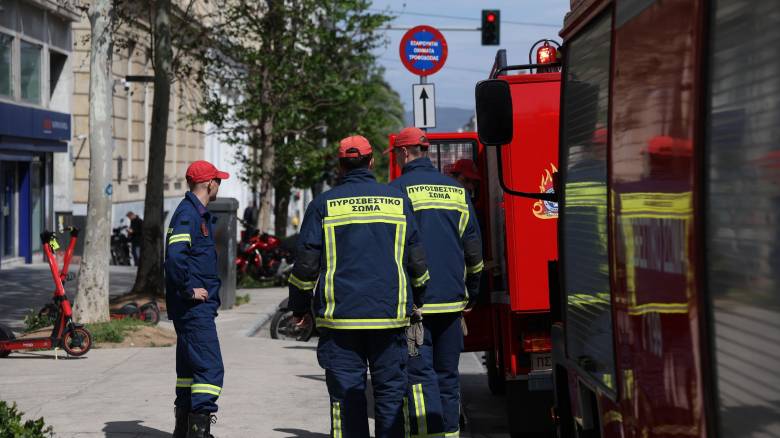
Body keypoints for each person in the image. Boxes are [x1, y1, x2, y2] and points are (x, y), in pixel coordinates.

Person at [287, 135, 430, 438]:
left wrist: (299, 308)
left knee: (347, 400)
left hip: (340, 323)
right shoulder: (397, 201)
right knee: (391, 398)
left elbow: (305, 266)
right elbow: (417, 261)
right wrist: (418, 298)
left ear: (340, 165)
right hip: (389, 318)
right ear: (372, 162)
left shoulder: (322, 204)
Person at [388, 127, 484, 437]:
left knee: (418, 375)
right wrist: (472, 292)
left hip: (416, 306)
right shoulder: (457, 191)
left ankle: (426, 433)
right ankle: (451, 432)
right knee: (447, 374)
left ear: (404, 153)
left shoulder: (396, 191)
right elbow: (474, 249)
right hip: (453, 303)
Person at [165, 160, 229, 438]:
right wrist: (188, 291)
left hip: (193, 309)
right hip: (193, 308)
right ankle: (199, 433)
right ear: (208, 184)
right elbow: (174, 258)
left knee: (188, 372)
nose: (219, 185)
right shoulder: (188, 215)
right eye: (218, 181)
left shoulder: (194, 213)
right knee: (209, 369)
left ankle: (184, 430)